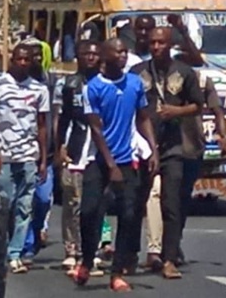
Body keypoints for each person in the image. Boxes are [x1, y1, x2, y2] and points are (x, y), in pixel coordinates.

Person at [75, 38, 158, 292]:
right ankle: (88, 259)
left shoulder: (134, 84)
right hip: (99, 161)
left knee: (129, 215)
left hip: (126, 160)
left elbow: (143, 118)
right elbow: (97, 129)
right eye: (118, 51)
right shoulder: (93, 88)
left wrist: (153, 149)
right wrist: (110, 165)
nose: (123, 56)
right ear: (105, 55)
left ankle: (117, 272)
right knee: (90, 212)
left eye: (125, 52)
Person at [131, 27, 204, 279]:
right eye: (152, 42)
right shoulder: (137, 72)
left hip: (173, 147)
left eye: (161, 42)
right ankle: (129, 255)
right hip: (141, 147)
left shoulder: (184, 72)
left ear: (170, 44)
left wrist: (177, 112)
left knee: (171, 204)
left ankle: (169, 258)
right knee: (133, 203)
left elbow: (198, 105)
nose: (156, 47)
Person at [0, 44, 50, 274]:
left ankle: (15, 254)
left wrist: (43, 159)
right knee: (4, 204)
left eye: (27, 60)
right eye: (19, 59)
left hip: (28, 155)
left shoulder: (39, 89)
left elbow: (42, 125)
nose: (23, 63)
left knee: (25, 207)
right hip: (4, 155)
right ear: (12, 60)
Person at [53, 40, 103, 275]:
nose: (91, 58)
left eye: (95, 54)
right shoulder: (70, 84)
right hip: (75, 149)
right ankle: (71, 250)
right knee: (71, 202)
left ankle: (90, 251)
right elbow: (63, 119)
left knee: (92, 205)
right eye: (86, 54)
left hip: (98, 151)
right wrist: (59, 147)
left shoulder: (106, 84)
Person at [20, 39, 56, 263]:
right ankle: (26, 246)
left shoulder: (51, 83)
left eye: (37, 56)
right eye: (28, 56)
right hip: (21, 153)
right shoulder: (14, 85)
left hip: (47, 155)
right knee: (22, 203)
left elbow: (55, 118)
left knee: (42, 201)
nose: (33, 60)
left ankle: (36, 230)